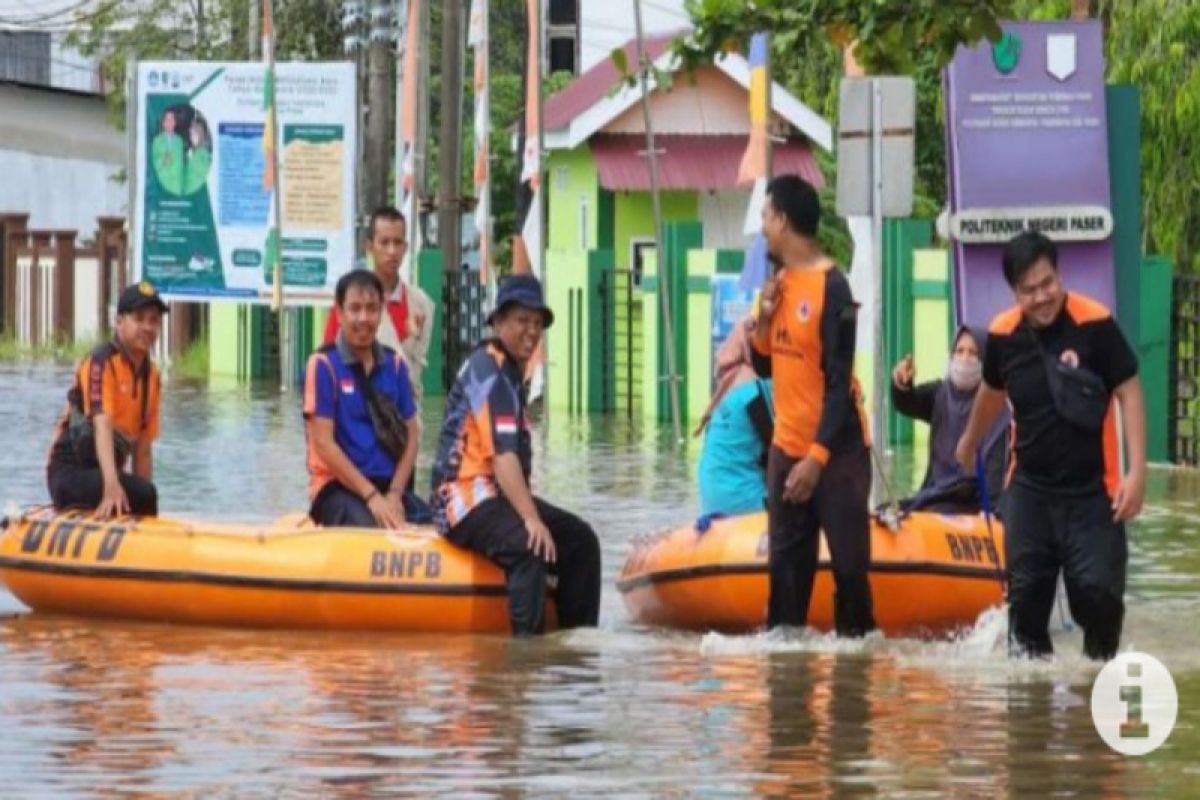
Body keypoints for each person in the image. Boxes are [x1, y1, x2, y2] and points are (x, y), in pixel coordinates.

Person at [955, 231, 1146, 661]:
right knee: (1025, 605)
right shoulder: (1003, 335)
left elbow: (1130, 391)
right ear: (1014, 292)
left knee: (1097, 598)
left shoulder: (1095, 324)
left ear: (1059, 275)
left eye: (1048, 284)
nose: (1043, 297)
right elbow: (991, 390)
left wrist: (1137, 473)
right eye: (1030, 290)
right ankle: (1029, 716)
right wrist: (968, 442)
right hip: (1029, 491)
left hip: (1094, 493)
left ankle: (1096, 704)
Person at [431, 274, 601, 636]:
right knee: (529, 546)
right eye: (523, 321)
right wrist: (531, 518)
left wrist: (530, 513)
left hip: (495, 494)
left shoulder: (509, 371)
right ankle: (525, 655)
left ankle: (577, 646)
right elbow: (503, 458)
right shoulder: (490, 371)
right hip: (461, 497)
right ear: (499, 322)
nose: (532, 331)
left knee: (581, 541)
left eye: (538, 323)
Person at [750, 174, 875, 637]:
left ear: (782, 220)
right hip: (786, 451)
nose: (761, 226)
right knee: (784, 579)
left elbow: (840, 383)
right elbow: (764, 363)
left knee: (849, 574)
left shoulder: (835, 289)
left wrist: (817, 460)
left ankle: (853, 684)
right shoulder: (776, 283)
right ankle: (787, 694)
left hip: (836, 455)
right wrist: (762, 317)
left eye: (765, 216)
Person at [304, 269, 422, 528]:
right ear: (339, 313)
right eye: (354, 309)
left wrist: (394, 494)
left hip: (388, 486)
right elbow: (323, 444)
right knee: (370, 526)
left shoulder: (396, 364)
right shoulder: (323, 365)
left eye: (371, 309)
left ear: (381, 313)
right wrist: (370, 496)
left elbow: (412, 436)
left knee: (440, 522)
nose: (363, 318)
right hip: (336, 488)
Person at [46, 281, 168, 518]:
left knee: (146, 492)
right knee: (144, 493)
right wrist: (111, 488)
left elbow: (143, 450)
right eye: (139, 318)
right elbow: (102, 425)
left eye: (154, 320)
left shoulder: (152, 376)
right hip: (70, 472)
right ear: (119, 322)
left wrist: (141, 509)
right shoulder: (101, 362)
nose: (147, 327)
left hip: (104, 473)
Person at [323, 207, 436, 406]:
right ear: (370, 247)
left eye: (397, 243)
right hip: (355, 413)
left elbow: (414, 378)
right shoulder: (348, 303)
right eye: (384, 243)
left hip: (403, 420)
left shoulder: (421, 305)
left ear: (406, 248)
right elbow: (327, 367)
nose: (391, 251)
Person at [891, 325, 1010, 513]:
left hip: (971, 496)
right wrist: (901, 384)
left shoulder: (996, 405)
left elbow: (995, 469)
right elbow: (907, 403)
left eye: (973, 353)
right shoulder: (940, 394)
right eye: (959, 351)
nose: (964, 359)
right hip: (937, 490)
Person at [695, 317, 774, 517]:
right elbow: (776, 446)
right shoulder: (754, 386)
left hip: (711, 497)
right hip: (743, 498)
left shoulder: (730, 383)